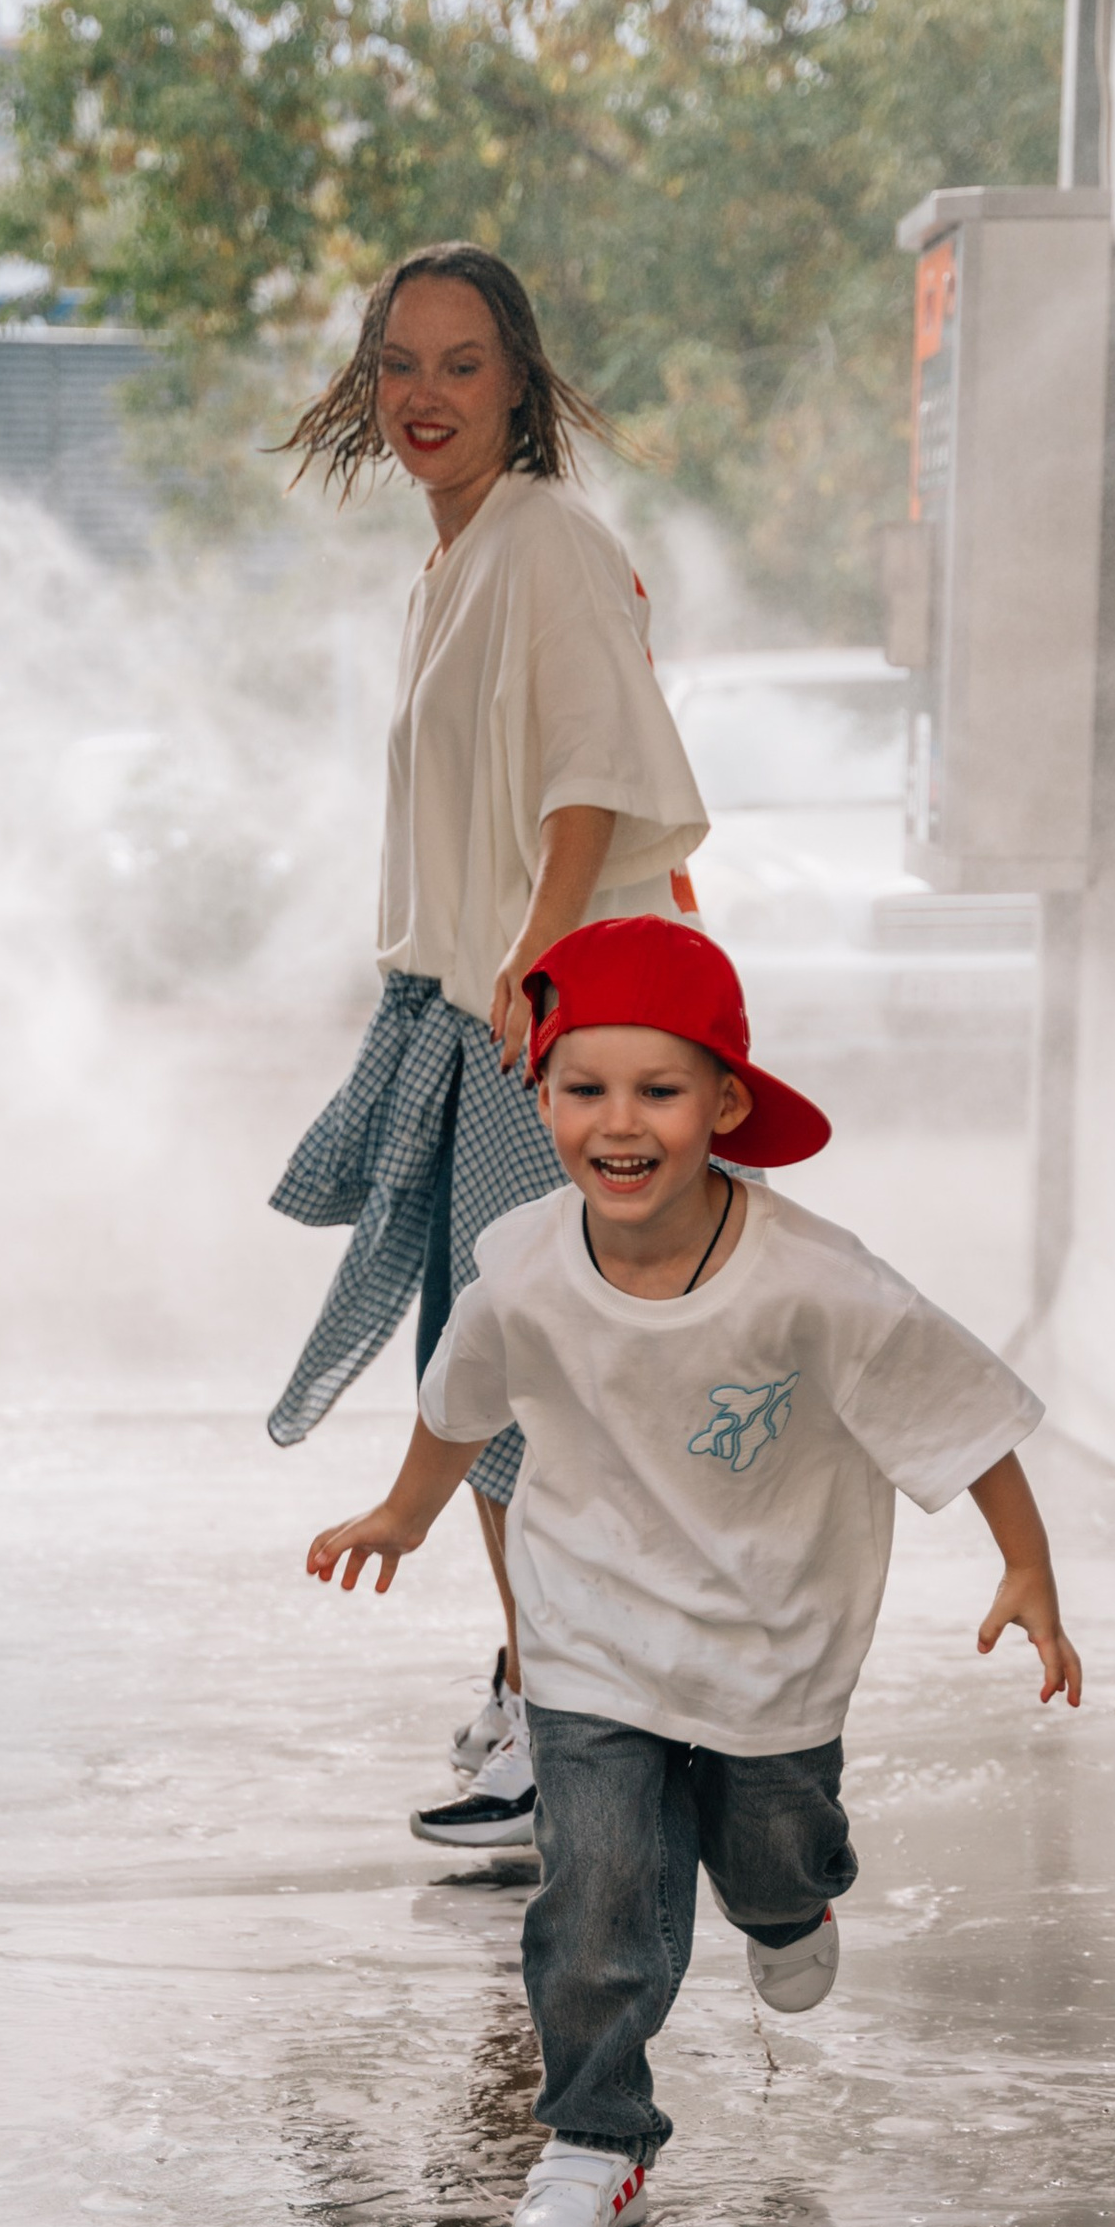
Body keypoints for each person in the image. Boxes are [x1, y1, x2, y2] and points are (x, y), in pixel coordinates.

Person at [305, 913, 1083, 2227]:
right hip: (589, 1626)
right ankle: (596, 2141)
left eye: (659, 1091)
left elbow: (958, 1415)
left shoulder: (815, 1282)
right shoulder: (526, 1263)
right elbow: (461, 1405)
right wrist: (405, 1512)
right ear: (538, 1096)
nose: (620, 1123)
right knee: (596, 1878)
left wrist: (1027, 1565)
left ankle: (792, 1903)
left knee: (770, 1846)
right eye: (583, 1088)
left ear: (724, 1102)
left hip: (770, 1639)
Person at [267, 244, 709, 1853]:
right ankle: (557, 1710)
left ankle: (561, 1740)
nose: (424, 396)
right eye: (399, 365)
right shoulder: (454, 565)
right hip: (505, 1011)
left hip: (553, 1018)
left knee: (526, 1384)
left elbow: (596, 771)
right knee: (516, 1371)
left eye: (461, 364)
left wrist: (544, 972)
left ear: (519, 380)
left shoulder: (547, 544)